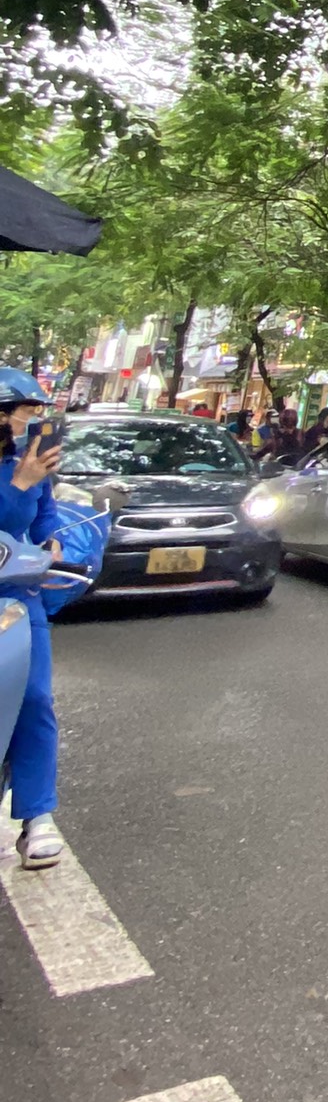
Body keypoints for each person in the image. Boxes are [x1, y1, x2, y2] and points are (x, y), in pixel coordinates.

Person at [0, 368, 65, 868]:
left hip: (21, 598)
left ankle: (37, 817)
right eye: (26, 413)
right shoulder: (21, 470)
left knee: (35, 700)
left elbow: (43, 518)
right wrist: (20, 483)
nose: (32, 423)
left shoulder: (33, 463)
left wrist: (53, 543)